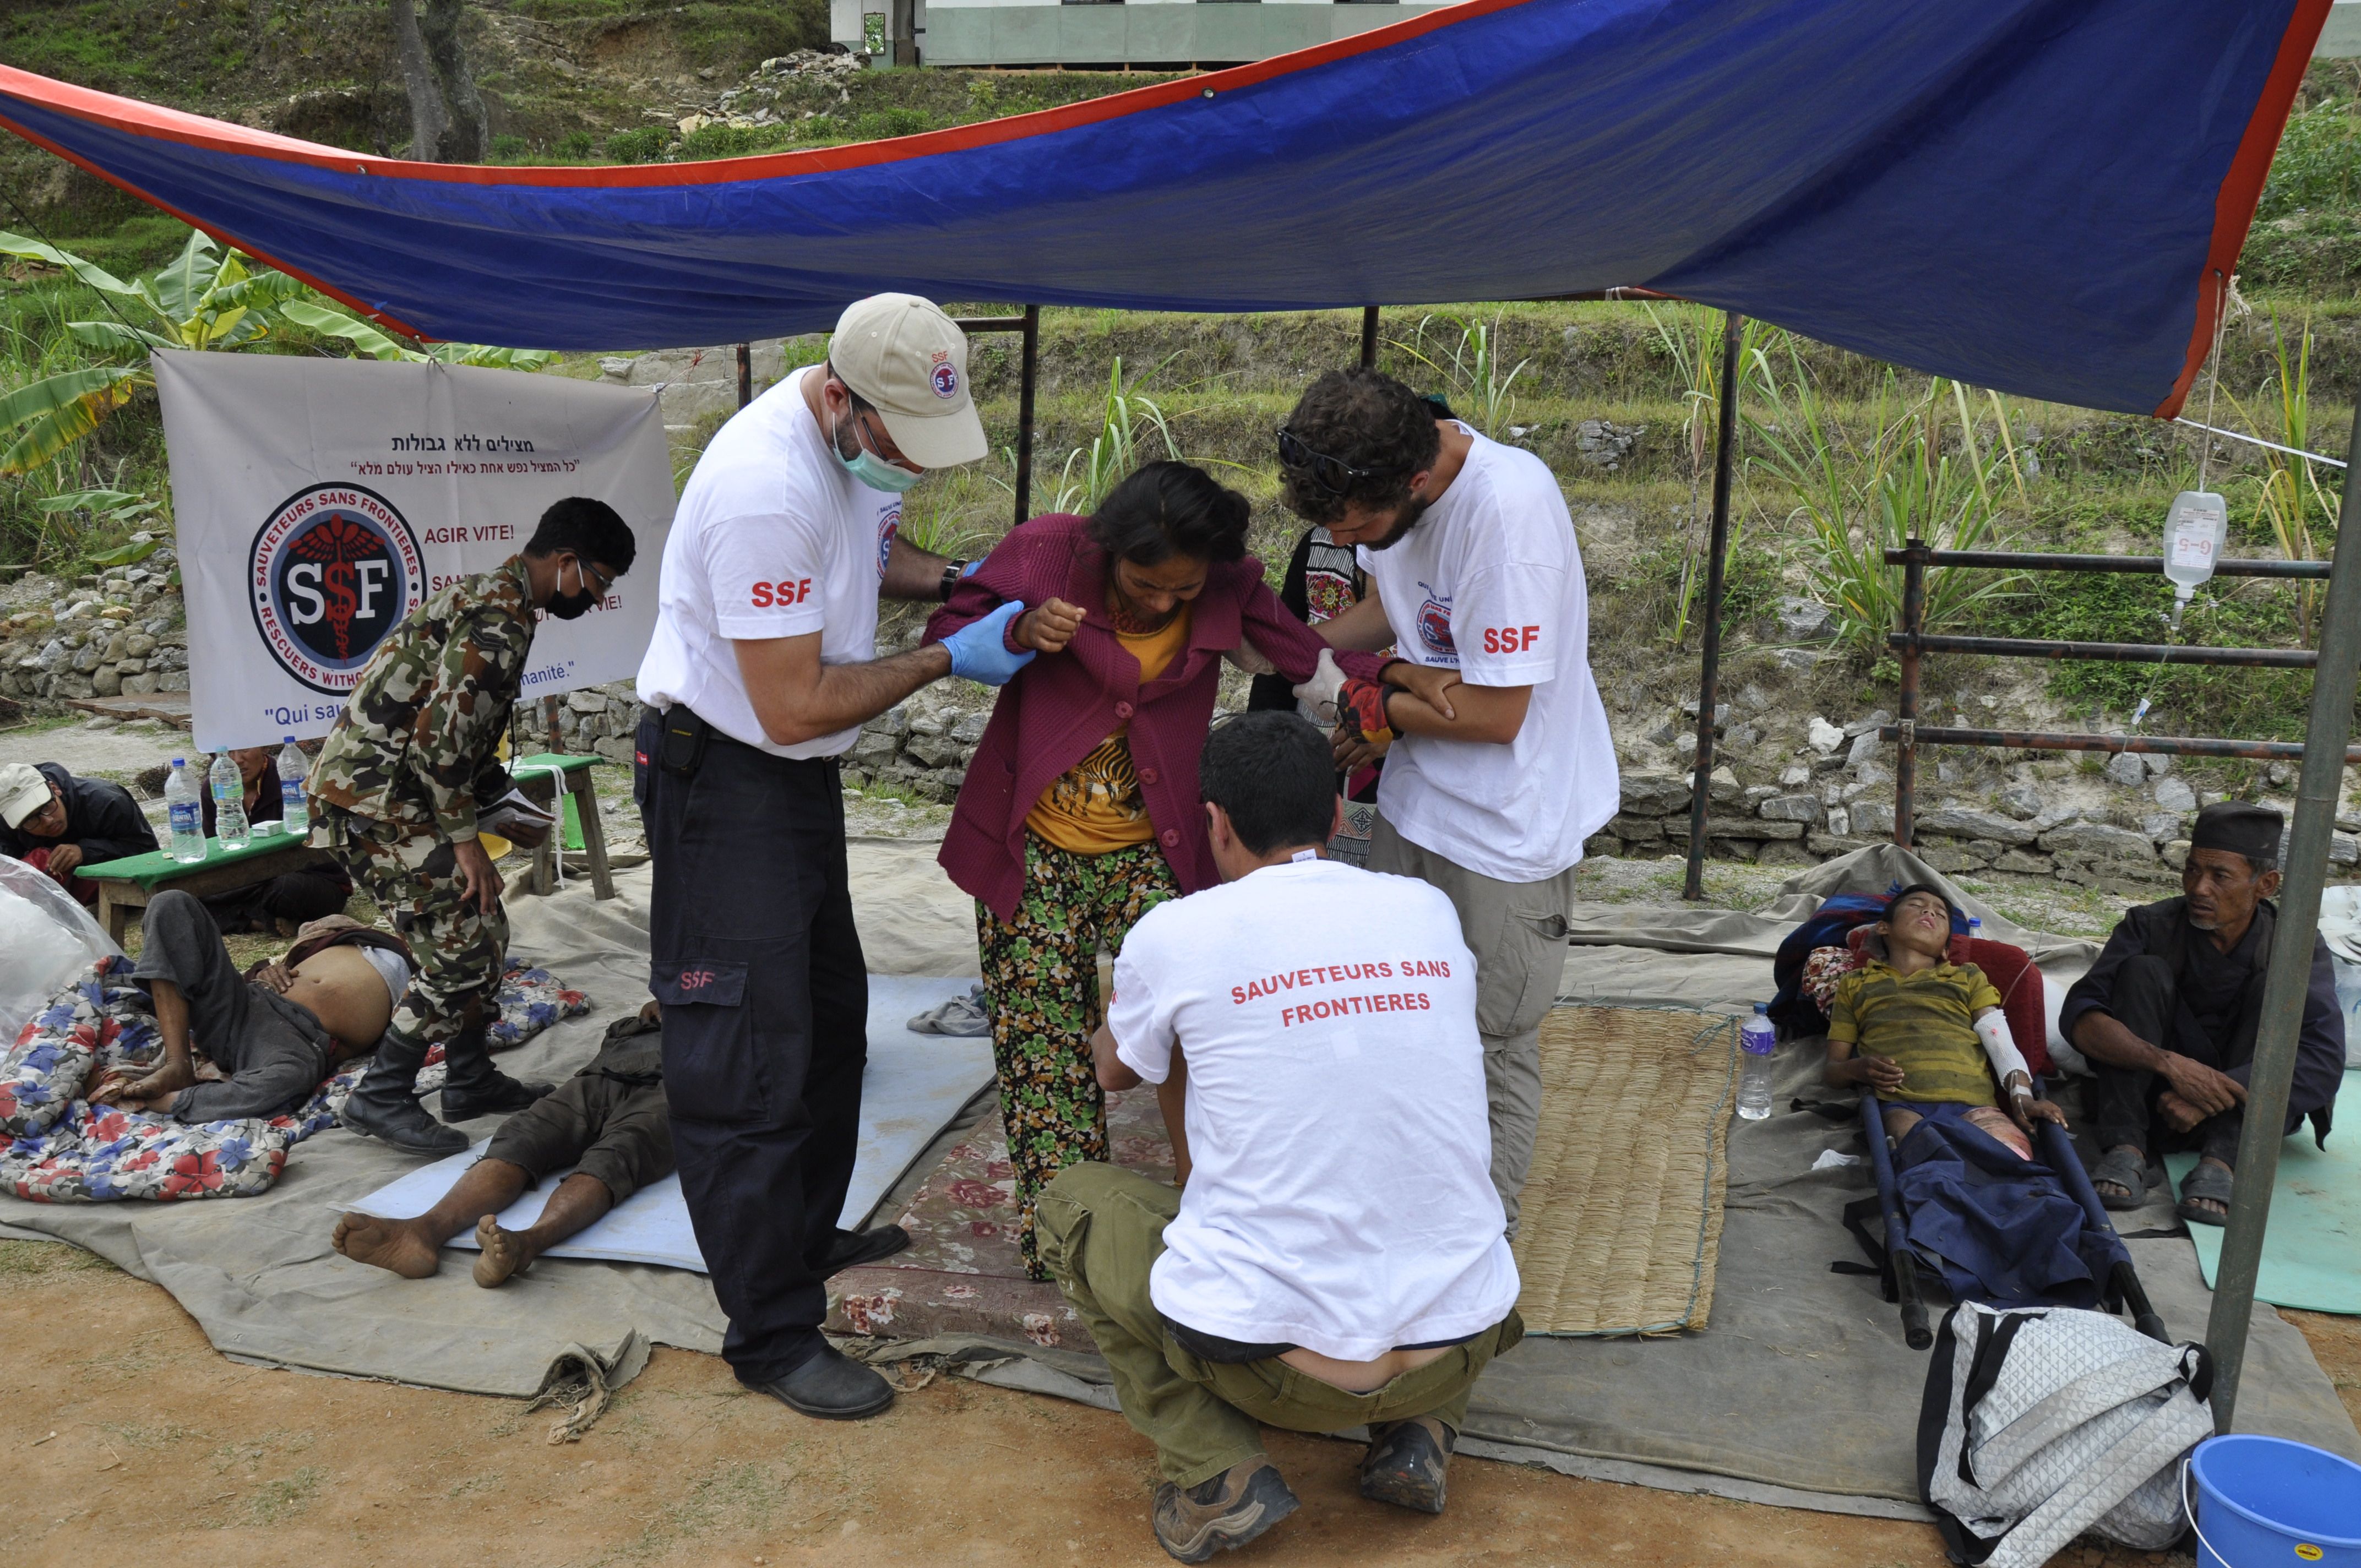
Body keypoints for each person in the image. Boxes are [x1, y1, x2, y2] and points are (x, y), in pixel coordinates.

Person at [633, 292, 1036, 1423]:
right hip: (729, 772)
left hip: (788, 776)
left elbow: (878, 546)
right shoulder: (764, 486)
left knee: (825, 1021)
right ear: (840, 398)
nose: (911, 459)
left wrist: (967, 582)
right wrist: (945, 658)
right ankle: (767, 1329)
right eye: (900, 438)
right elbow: (797, 699)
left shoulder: (849, 449)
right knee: (747, 1059)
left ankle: (803, 1240)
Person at [1037, 711, 1523, 1561]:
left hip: (1276, 1374)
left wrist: (1126, 1007)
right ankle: (1420, 1434)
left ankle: (1217, 1473)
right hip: (1459, 1347)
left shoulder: (1177, 931)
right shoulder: (1427, 910)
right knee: (1441, 1203)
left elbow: (1117, 1074)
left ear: (1215, 822)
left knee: (1076, 1204)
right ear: (1338, 818)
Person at [925, 460, 1380, 1277]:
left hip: (1158, 851)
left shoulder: (1228, 584)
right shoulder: (1048, 555)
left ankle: (1217, 1216)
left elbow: (1309, 666)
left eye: (1182, 590)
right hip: (1033, 850)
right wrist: (1020, 633)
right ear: (1108, 550)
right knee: (1045, 1056)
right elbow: (946, 642)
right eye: (1145, 583)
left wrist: (1382, 711)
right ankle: (1066, 1246)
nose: (1162, 603)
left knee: (1201, 1034)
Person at [1276, 367, 1620, 1237]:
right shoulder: (1385, 491)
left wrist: (1378, 697)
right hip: (1418, 808)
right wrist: (1297, 651)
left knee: (1491, 1046)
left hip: (1505, 830)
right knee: (1410, 1027)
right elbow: (1392, 610)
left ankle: (1476, 1253)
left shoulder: (1509, 518)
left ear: (1418, 482)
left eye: (1357, 526)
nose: (1346, 536)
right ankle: (1408, 1209)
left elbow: (1500, 714)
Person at [312, 496, 637, 1157]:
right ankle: (382, 1093)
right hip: (375, 803)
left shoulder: (500, 600)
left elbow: (460, 740)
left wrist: (503, 803)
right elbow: (439, 747)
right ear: (566, 563)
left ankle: (468, 1077)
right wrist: (470, 845)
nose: (600, 596)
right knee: (463, 937)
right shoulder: (500, 621)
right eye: (600, 580)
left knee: (483, 925)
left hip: (398, 795)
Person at [2064, 802, 2346, 1225]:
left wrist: (2215, 1092)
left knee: (2277, 989)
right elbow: (2082, 1020)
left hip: (2240, 1114)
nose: (2199, 888)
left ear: (2265, 885)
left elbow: (2322, 1057)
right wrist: (2169, 1064)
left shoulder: (2295, 943)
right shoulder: (2149, 925)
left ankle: (2222, 1162)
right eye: (2193, 870)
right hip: (2156, 1101)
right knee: (2142, 972)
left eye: (2220, 876)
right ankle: (2126, 1147)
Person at [332, 1003, 671, 1287]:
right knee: (523, 1136)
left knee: (617, 1155)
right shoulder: (685, 976)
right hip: (608, 1071)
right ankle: (422, 1232)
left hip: (680, 1087)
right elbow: (654, 1005)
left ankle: (528, 1243)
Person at [89, 892, 411, 1121]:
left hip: (297, 1039)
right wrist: (265, 969)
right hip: (243, 1005)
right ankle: (178, 1064)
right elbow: (277, 962)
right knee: (170, 903)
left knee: (287, 1082)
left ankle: (171, 1100)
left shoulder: (428, 964)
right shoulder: (334, 940)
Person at [1821, 884, 2066, 1157]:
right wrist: (1858, 1070)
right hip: (1902, 1105)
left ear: (1946, 950)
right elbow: (1833, 1070)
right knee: (1919, 1157)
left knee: (2011, 1156)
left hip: (1976, 1104)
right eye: (1916, 905)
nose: (1929, 911)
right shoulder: (1856, 983)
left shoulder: (1967, 977)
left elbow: (1999, 1041)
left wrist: (2023, 1098)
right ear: (1883, 928)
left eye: (1941, 914)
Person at [200, 745, 353, 933]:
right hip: (247, 880)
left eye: (245, 749)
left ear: (263, 747)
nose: (238, 759)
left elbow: (317, 852)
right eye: (228, 753)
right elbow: (214, 849)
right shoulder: (214, 789)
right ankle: (259, 923)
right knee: (193, 897)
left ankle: (242, 916)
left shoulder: (290, 778)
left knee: (287, 888)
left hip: (306, 876)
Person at [0, 759, 159, 905]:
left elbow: (148, 854)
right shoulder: (9, 823)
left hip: (114, 881)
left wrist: (85, 851)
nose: (48, 821)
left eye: (47, 807)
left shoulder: (107, 801)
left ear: (54, 789)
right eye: (31, 820)